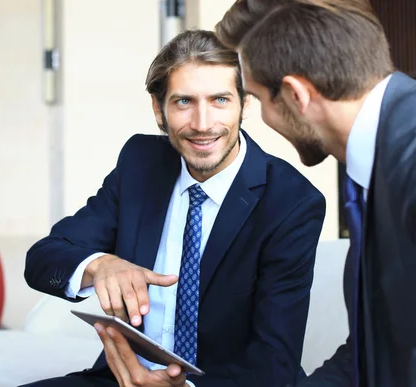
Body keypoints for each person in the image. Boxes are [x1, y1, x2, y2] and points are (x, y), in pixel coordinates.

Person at [215, 1, 416, 387]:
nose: (261, 118)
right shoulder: (381, 159)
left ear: (295, 94)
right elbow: (372, 355)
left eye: (257, 99)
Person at [22, 29, 326, 387]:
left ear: (245, 104)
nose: (202, 123)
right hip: (121, 379)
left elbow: (274, 363)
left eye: (220, 100)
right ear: (158, 109)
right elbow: (42, 259)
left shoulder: (291, 202)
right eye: (184, 102)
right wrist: (100, 265)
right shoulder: (141, 163)